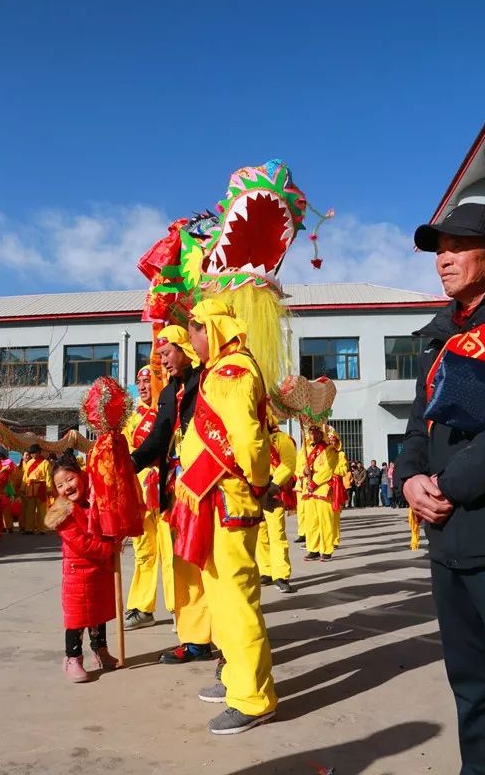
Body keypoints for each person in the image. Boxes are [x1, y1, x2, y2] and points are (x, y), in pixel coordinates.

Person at [396, 202, 485, 774]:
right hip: (447, 538)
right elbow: (417, 426)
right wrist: (409, 480)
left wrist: (448, 484)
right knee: (471, 686)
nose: (444, 258)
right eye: (439, 249)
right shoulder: (438, 336)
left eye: (458, 245)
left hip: (482, 522)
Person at [174, 298, 277, 734]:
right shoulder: (221, 368)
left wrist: (256, 483)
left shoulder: (230, 371)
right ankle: (237, 678)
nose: (192, 341)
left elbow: (249, 442)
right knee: (220, 598)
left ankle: (254, 698)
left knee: (236, 602)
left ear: (211, 329)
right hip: (213, 499)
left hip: (227, 501)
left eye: (195, 331)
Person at [131, 326, 212, 664]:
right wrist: (129, 463)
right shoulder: (168, 394)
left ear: (185, 349)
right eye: (160, 355)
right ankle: (195, 640)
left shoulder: (208, 381)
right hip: (172, 491)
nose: (162, 361)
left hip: (206, 487)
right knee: (181, 564)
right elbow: (159, 438)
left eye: (167, 353)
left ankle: (225, 639)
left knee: (210, 565)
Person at [45, 456, 118, 683]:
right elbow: (82, 544)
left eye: (70, 479)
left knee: (99, 614)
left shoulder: (97, 499)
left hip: (100, 569)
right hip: (78, 572)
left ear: (81, 475)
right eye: (60, 485)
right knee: (77, 619)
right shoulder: (62, 513)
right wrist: (109, 547)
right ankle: (73, 658)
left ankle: (100, 650)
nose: (67, 487)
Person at [123, 365, 175, 630]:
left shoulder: (170, 411)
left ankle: (180, 607)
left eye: (148, 381)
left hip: (167, 489)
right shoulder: (132, 420)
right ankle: (142, 607)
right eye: (139, 382)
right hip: (141, 493)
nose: (143, 386)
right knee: (143, 552)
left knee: (171, 551)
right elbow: (124, 458)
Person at [255, 412, 296, 594]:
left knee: (276, 534)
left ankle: (281, 574)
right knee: (260, 534)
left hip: (272, 493)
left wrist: (274, 484)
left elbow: (288, 464)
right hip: (255, 492)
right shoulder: (253, 439)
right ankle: (266, 570)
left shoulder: (281, 439)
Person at [301, 425, 339, 562]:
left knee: (325, 521)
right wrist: (303, 471)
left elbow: (328, 469)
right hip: (309, 490)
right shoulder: (306, 449)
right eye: (311, 433)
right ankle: (313, 549)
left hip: (322, 488)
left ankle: (327, 550)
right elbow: (299, 464)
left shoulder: (330, 450)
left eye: (316, 433)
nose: (313, 436)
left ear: (321, 434)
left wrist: (314, 482)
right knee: (311, 521)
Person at [22, 444, 53, 534]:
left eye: (34, 453)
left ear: (39, 453)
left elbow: (48, 477)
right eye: (31, 453)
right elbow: (25, 476)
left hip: (41, 487)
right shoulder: (29, 462)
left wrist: (49, 489)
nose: (32, 455)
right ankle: (29, 528)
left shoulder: (45, 463)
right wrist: (22, 487)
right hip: (30, 487)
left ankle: (42, 529)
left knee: (41, 509)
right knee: (29, 509)